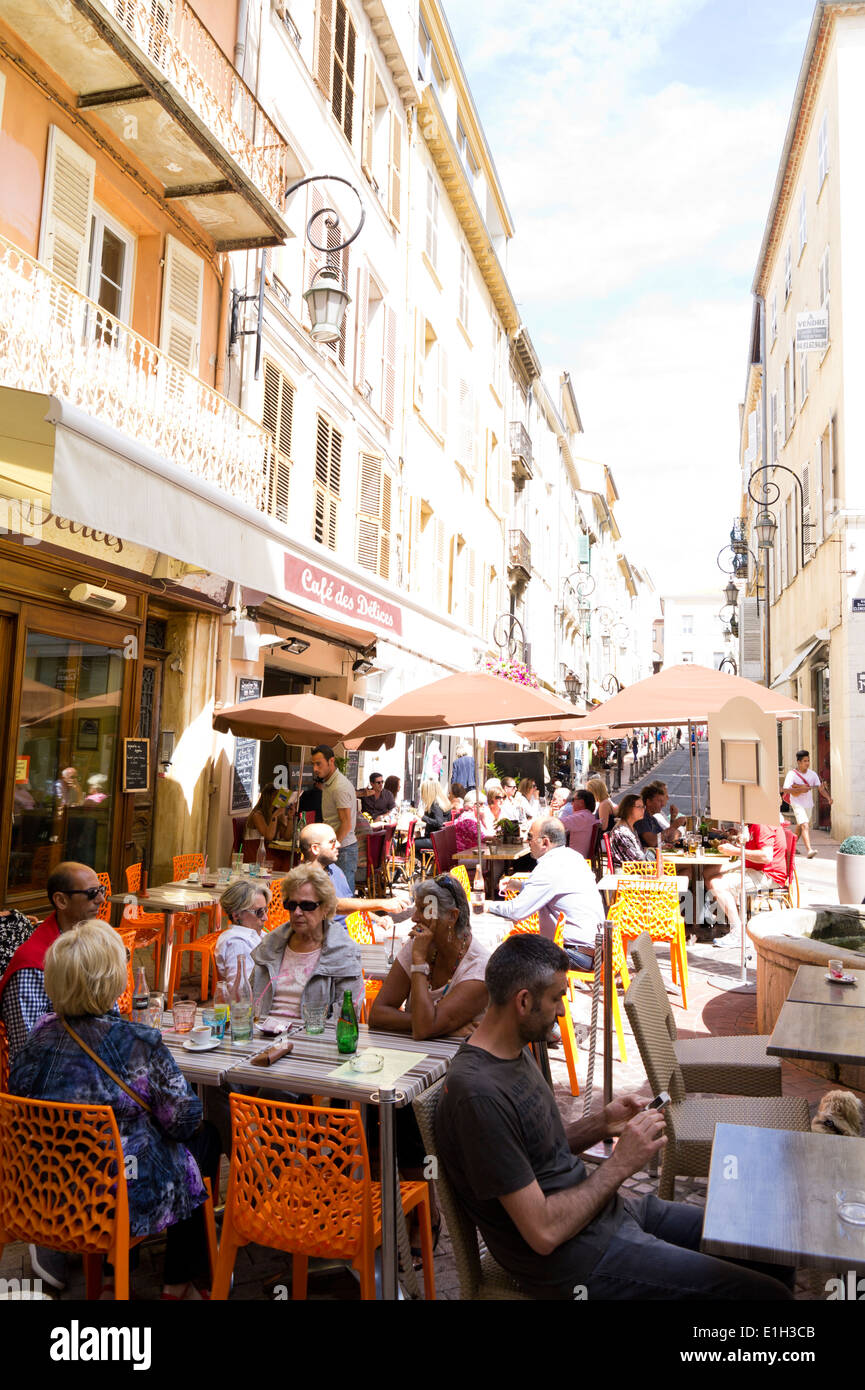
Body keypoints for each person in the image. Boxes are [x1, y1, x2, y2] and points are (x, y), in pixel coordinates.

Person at [434, 935, 793, 1301]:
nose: (562, 1010)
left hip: (606, 1217)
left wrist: (602, 1123)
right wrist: (621, 1163)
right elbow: (543, 1233)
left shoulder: (513, 1050)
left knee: (764, 1244)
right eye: (557, 998)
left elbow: (539, 1154)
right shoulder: (478, 1097)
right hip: (575, 1262)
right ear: (523, 1001)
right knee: (767, 1294)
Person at [10, 922, 220, 1301]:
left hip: (48, 1189)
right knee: (199, 1141)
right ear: (112, 979)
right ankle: (179, 1281)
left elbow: (21, 1092)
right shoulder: (137, 1042)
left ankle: (112, 1278)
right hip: (116, 1198)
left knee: (133, 1148)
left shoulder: (38, 1034)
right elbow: (185, 1120)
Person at [0, 861, 106, 1062]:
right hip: (52, 1078)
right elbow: (29, 1050)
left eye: (102, 890)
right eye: (92, 893)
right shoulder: (33, 966)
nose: (101, 899)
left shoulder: (92, 945)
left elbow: (110, 1017)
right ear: (61, 901)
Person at [369, 875, 489, 1040]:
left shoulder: (479, 969)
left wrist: (418, 962)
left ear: (452, 916)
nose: (414, 918)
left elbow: (423, 1030)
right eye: (416, 909)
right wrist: (434, 1024)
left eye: (425, 910)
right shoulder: (419, 944)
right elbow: (377, 1014)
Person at [250, 862, 363, 1024]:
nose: (297, 912)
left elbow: (347, 1017)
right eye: (291, 905)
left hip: (313, 1038)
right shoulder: (270, 945)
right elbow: (248, 999)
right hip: (263, 1033)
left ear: (325, 908)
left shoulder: (344, 953)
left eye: (307, 905)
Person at [488, 818, 603, 972]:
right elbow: (555, 890)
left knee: (506, 955)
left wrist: (486, 905)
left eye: (530, 837)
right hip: (591, 950)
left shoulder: (549, 866)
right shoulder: (573, 857)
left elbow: (516, 911)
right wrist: (520, 886)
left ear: (545, 842)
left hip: (574, 953)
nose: (527, 842)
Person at [298, 823, 408, 939]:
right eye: (332, 842)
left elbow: (351, 905)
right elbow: (334, 905)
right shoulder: (307, 879)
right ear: (315, 848)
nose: (339, 845)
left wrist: (378, 919)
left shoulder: (333, 869)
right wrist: (382, 904)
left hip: (360, 930)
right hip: (340, 939)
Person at [705, 823, 789, 950]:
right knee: (708, 872)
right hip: (752, 866)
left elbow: (766, 856)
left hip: (768, 874)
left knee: (716, 883)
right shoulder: (754, 823)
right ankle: (727, 913)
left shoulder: (762, 824)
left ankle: (738, 932)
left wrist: (735, 851)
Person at [310, 744, 359, 886]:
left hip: (342, 850)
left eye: (318, 764)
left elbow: (346, 824)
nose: (315, 769)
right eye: (313, 764)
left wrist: (331, 849)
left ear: (331, 761)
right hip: (338, 848)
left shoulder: (339, 787)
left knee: (343, 898)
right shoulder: (329, 783)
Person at [216, 879, 271, 984]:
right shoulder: (238, 944)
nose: (265, 917)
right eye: (259, 912)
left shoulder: (256, 933)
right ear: (237, 915)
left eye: (265, 910)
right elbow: (242, 991)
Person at [783, 749, 831, 858]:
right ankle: (809, 850)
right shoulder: (792, 774)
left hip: (808, 804)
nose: (807, 763)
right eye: (805, 761)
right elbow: (785, 789)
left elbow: (820, 789)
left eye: (808, 760)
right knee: (804, 825)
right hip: (797, 803)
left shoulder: (812, 774)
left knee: (801, 826)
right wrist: (800, 790)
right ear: (799, 762)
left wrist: (828, 798)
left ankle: (791, 846)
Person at [243, 783, 290, 858]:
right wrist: (275, 815)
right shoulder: (257, 814)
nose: (280, 799)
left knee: (289, 857)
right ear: (269, 797)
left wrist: (289, 818)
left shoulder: (274, 812)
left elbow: (286, 836)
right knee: (286, 859)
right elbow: (269, 836)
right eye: (277, 795)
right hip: (254, 852)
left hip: (267, 851)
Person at [634, 783, 682, 850]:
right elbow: (652, 841)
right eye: (659, 801)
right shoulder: (642, 818)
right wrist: (673, 826)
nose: (662, 804)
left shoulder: (652, 819)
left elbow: (669, 838)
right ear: (648, 802)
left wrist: (673, 819)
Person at [608, 794, 649, 869]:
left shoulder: (631, 827)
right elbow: (638, 861)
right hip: (627, 874)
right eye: (639, 807)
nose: (643, 810)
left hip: (636, 870)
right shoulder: (622, 832)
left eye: (643, 807)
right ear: (628, 809)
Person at [559, 789, 599, 857]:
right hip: (579, 855)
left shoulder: (582, 817)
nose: (571, 803)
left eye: (573, 800)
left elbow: (557, 823)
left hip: (575, 857)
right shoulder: (588, 816)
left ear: (581, 802)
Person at [414, 779, 450, 852]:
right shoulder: (442, 802)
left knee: (408, 845)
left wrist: (422, 817)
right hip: (441, 839)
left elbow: (439, 823)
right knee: (413, 842)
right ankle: (424, 861)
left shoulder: (435, 805)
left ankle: (422, 861)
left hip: (434, 840)